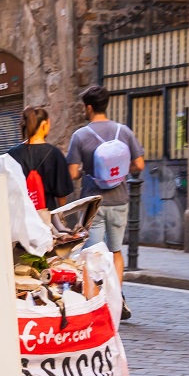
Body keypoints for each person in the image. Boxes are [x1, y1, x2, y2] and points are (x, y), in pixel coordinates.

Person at [67, 85, 144, 316]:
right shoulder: (124, 132)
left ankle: (97, 302)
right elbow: (139, 166)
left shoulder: (80, 136)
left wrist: (85, 172)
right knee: (116, 251)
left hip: (94, 202)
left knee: (93, 255)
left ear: (89, 108)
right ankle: (116, 299)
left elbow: (72, 173)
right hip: (120, 199)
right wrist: (119, 173)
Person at [5, 106, 73, 209]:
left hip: (21, 215)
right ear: (44, 124)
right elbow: (61, 194)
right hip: (47, 215)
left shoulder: (12, 154)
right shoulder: (55, 154)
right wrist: (61, 217)